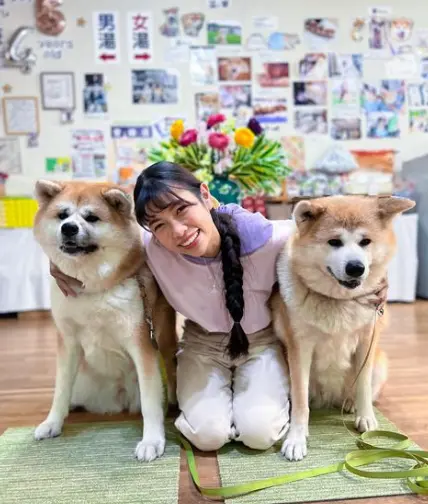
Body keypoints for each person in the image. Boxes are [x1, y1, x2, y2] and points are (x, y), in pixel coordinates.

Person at [51, 161, 387, 452]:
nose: (178, 231)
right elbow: (106, 241)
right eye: (160, 225)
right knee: (208, 434)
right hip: (202, 345)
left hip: (261, 344)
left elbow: (331, 243)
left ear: (206, 194)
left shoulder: (264, 236)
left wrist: (375, 280)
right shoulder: (154, 249)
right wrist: (57, 264)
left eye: (182, 209)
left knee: (259, 433)